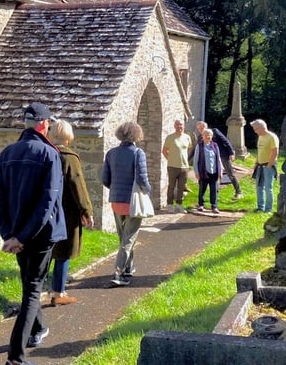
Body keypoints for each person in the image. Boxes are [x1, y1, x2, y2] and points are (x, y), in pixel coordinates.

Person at [0, 102, 66, 365]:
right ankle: (15, 358)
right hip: (39, 236)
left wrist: (9, 235)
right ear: (44, 124)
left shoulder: (7, 152)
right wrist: (20, 237)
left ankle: (37, 329)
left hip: (17, 236)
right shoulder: (50, 154)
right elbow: (48, 202)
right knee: (33, 290)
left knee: (29, 286)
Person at [47, 119, 94, 306]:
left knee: (46, 252)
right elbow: (78, 186)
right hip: (66, 212)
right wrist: (87, 211)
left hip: (45, 211)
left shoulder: (45, 153)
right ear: (68, 137)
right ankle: (58, 292)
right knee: (63, 253)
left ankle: (35, 290)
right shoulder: (69, 157)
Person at [101, 121, 151, 286]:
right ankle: (118, 273)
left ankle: (129, 267)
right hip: (133, 201)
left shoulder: (111, 153)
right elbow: (142, 179)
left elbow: (105, 180)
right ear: (137, 135)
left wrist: (115, 189)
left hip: (116, 200)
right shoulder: (138, 153)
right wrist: (148, 191)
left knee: (123, 237)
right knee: (129, 238)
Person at [195, 121, 243, 200]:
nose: (200, 130)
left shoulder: (215, 131)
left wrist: (231, 153)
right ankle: (215, 195)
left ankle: (238, 192)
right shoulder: (200, 137)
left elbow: (225, 141)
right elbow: (196, 149)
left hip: (222, 155)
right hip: (211, 159)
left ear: (206, 127)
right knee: (214, 176)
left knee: (230, 173)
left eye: (202, 128)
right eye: (199, 128)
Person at [161, 119, 192, 213]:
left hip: (184, 166)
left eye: (181, 125)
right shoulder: (170, 137)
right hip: (172, 166)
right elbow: (164, 151)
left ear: (184, 126)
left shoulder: (187, 137)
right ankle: (170, 205)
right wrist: (170, 159)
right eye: (177, 125)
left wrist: (185, 159)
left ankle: (179, 205)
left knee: (181, 187)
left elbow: (189, 149)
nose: (179, 127)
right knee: (171, 186)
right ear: (174, 126)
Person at [250, 119, 279, 213]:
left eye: (256, 129)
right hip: (260, 165)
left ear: (262, 127)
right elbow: (260, 152)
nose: (255, 131)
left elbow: (275, 152)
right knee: (259, 187)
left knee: (268, 187)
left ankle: (268, 209)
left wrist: (269, 165)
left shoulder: (272, 137)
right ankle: (260, 207)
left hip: (268, 165)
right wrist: (256, 164)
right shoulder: (260, 137)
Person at [193, 128, 222, 214]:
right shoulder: (199, 146)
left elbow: (218, 159)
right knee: (202, 189)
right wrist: (196, 172)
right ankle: (201, 205)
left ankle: (214, 206)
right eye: (205, 135)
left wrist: (220, 172)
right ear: (203, 136)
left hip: (214, 172)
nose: (207, 137)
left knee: (214, 189)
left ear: (212, 136)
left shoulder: (215, 145)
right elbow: (195, 160)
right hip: (203, 171)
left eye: (209, 135)